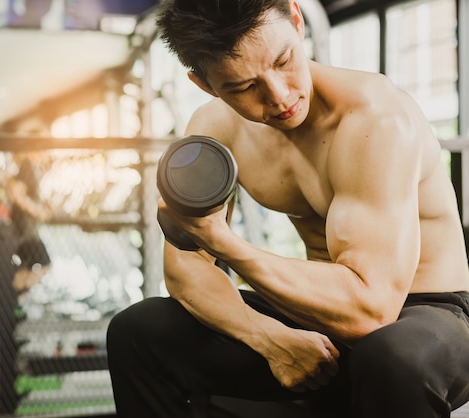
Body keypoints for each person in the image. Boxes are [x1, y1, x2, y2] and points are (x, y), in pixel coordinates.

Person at [106, 1, 469, 417]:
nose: (280, 96)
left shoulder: (377, 119)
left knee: (390, 357)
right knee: (140, 331)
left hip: (426, 314)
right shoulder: (215, 127)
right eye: (244, 87)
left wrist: (220, 241)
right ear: (205, 85)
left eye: (283, 60)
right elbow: (185, 271)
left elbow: (372, 310)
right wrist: (269, 338)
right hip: (316, 319)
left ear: (296, 21)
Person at [7, 152, 54, 294]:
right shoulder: (26, 166)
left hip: (25, 231)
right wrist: (37, 211)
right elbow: (17, 193)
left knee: (27, 268)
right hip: (26, 232)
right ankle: (16, 295)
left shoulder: (32, 169)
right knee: (45, 264)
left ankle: (16, 299)